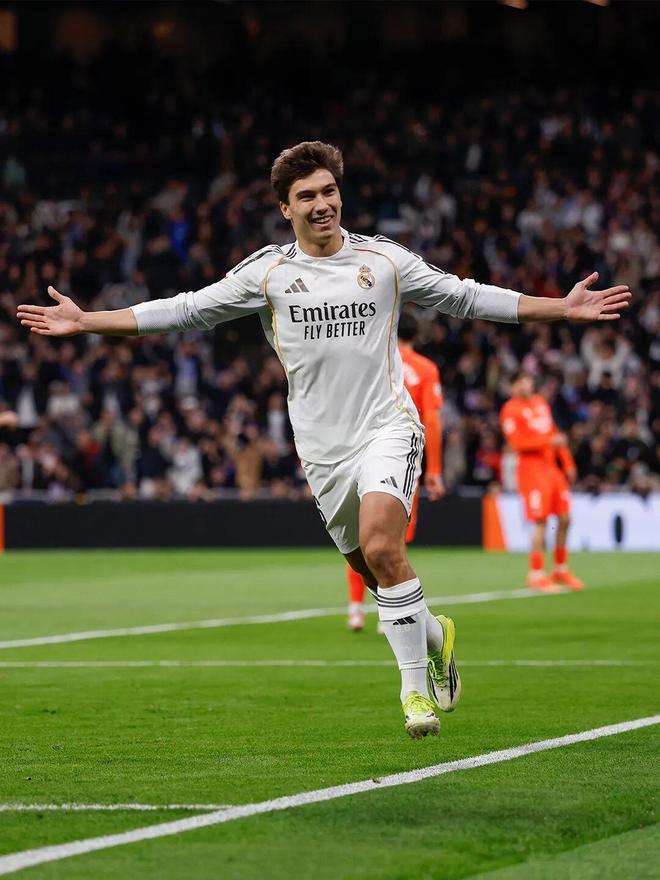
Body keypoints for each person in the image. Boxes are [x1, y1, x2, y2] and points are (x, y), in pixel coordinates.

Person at [17, 141, 631, 739]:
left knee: (383, 546)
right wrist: (88, 320)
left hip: (388, 427)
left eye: (329, 191)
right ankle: (435, 634)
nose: (322, 204)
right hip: (322, 451)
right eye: (307, 195)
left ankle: (413, 693)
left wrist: (560, 308)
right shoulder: (268, 273)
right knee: (373, 570)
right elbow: (186, 309)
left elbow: (465, 296)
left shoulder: (384, 261)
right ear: (285, 208)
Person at [346, 311, 444, 632]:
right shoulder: (425, 369)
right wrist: (435, 469)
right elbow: (432, 420)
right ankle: (387, 612)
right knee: (392, 539)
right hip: (399, 457)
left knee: (360, 535)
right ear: (417, 335)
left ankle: (355, 609)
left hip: (358, 452)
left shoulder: (368, 358)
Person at [499, 370, 583, 592]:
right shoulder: (510, 410)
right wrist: (547, 441)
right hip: (531, 471)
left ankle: (560, 569)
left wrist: (568, 463)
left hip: (551, 469)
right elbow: (517, 444)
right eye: (519, 382)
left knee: (565, 518)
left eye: (526, 380)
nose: (524, 385)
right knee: (540, 521)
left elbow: (554, 433)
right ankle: (535, 574)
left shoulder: (540, 403)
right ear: (512, 388)